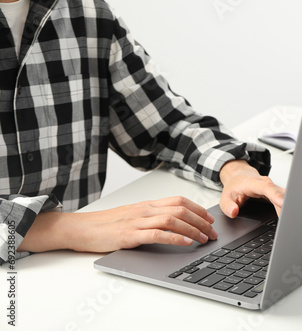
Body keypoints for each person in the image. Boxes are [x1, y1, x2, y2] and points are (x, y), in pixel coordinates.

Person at [0, 0, 285, 266]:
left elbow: (167, 126)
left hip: (73, 268)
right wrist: (64, 229)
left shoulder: (86, 12)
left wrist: (235, 172)